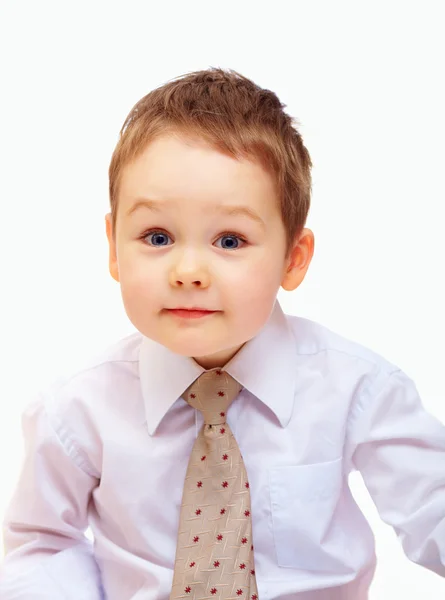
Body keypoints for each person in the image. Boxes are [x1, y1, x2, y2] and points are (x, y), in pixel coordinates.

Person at [1, 67, 444, 600]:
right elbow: (42, 543)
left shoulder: (358, 388)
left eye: (230, 240)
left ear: (293, 259)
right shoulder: (77, 408)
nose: (189, 270)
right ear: (114, 249)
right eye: (157, 236)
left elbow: (433, 509)